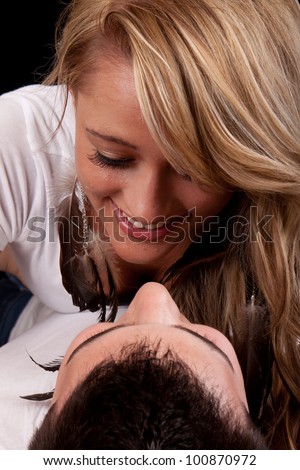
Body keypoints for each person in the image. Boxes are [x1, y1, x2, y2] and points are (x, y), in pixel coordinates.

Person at [0, 0, 299, 449]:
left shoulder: (282, 248)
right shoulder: (24, 137)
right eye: (112, 158)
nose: (144, 210)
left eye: (194, 168)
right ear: (71, 99)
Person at [27, 282, 267, 449]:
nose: (153, 292)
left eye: (99, 335)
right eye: (202, 337)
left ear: (51, 407)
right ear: (248, 411)